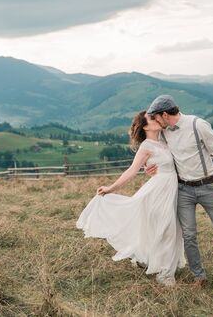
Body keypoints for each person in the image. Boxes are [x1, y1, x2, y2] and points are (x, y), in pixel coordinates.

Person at [146, 94, 213, 288]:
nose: (155, 121)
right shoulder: (164, 132)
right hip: (183, 189)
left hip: (208, 186)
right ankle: (199, 276)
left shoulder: (198, 125)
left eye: (156, 117)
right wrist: (149, 166)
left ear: (164, 114)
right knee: (189, 235)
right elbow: (159, 155)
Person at [76, 111, 185, 286]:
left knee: (173, 229)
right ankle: (165, 273)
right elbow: (131, 171)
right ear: (145, 126)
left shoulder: (164, 139)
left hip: (172, 189)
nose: (156, 119)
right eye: (151, 118)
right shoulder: (146, 147)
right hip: (158, 192)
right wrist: (111, 188)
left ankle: (156, 261)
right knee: (166, 229)